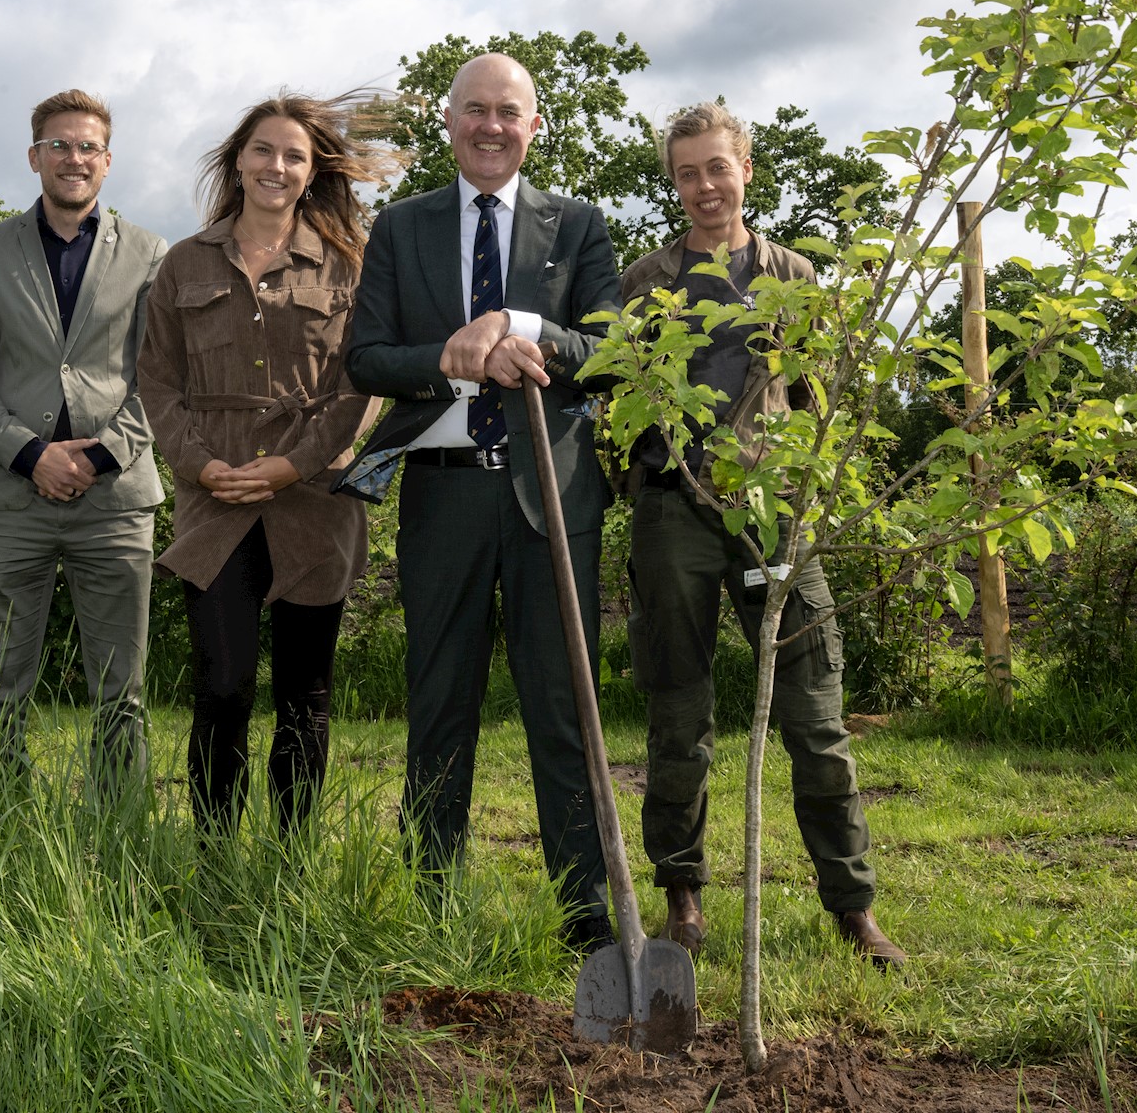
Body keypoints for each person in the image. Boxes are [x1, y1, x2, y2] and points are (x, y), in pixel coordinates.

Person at [619, 100, 908, 966]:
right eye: (686, 172)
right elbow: (622, 403)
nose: (704, 186)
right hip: (674, 517)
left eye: (718, 168)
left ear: (746, 168)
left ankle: (852, 907)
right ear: (672, 182)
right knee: (680, 716)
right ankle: (683, 898)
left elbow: (821, 402)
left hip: (775, 521)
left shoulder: (793, 275)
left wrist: (808, 489)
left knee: (816, 721)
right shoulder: (646, 282)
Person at [343, 53, 621, 950]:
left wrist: (518, 327)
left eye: (509, 112)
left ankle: (586, 916)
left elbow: (611, 347)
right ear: (449, 122)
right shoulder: (401, 227)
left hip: (554, 497)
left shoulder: (579, 227)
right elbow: (367, 356)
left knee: (562, 705)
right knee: (439, 704)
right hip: (444, 494)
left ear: (535, 125)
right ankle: (433, 906)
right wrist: (452, 356)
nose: (491, 126)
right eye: (474, 110)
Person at [139, 92, 387, 835]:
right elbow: (157, 380)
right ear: (237, 160)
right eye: (263, 151)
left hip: (314, 504)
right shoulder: (184, 264)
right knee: (223, 684)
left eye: (293, 156)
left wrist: (292, 465)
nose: (276, 166)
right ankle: (214, 859)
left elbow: (360, 385)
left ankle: (289, 860)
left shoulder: (349, 266)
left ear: (311, 174)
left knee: (304, 694)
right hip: (214, 505)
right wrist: (199, 464)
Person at [0, 89, 168, 785]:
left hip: (117, 499)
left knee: (120, 692)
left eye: (88, 147)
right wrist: (30, 454)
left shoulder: (150, 252)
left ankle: (120, 829)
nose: (74, 158)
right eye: (59, 145)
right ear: (35, 156)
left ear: (107, 161)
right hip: (13, 497)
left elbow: (161, 377)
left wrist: (100, 455)